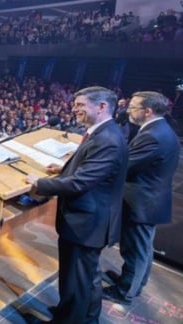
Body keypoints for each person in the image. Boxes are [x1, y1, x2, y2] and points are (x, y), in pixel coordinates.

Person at [25, 86, 128, 323]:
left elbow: (82, 182)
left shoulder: (108, 139)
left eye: (81, 105)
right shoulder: (103, 132)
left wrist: (40, 183)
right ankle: (80, 316)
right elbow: (92, 168)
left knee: (78, 278)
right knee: (85, 278)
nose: (74, 109)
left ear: (102, 107)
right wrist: (64, 169)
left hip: (87, 223)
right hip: (89, 220)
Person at [103, 91, 180, 305]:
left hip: (142, 203)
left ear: (147, 111)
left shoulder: (153, 136)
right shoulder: (159, 129)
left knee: (135, 250)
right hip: (150, 200)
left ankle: (125, 291)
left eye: (133, 107)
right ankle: (135, 283)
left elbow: (125, 166)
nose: (128, 110)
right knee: (142, 249)